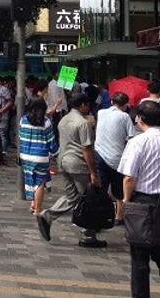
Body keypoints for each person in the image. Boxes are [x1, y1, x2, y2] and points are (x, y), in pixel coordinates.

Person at [118, 100, 160, 297]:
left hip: (142, 205)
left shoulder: (137, 142)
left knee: (140, 262)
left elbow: (129, 177)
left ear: (140, 119)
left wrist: (126, 201)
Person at [36, 93, 106, 248]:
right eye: (87, 105)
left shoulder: (64, 120)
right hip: (78, 164)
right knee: (88, 199)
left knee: (71, 196)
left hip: (63, 161)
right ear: (82, 105)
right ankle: (88, 236)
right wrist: (93, 172)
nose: (88, 108)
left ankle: (47, 216)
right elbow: (87, 149)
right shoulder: (83, 123)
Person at [94, 91, 139, 226]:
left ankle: (99, 213)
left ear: (112, 102)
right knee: (118, 188)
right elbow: (132, 137)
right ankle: (119, 216)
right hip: (116, 158)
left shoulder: (101, 113)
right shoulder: (125, 117)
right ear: (125, 105)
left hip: (99, 154)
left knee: (102, 187)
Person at [19, 98, 58, 215]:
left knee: (30, 179)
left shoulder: (23, 120)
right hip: (40, 156)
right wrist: (55, 153)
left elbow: (20, 137)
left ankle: (33, 203)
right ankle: (38, 209)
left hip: (25, 155)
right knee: (40, 182)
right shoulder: (45, 122)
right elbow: (51, 140)